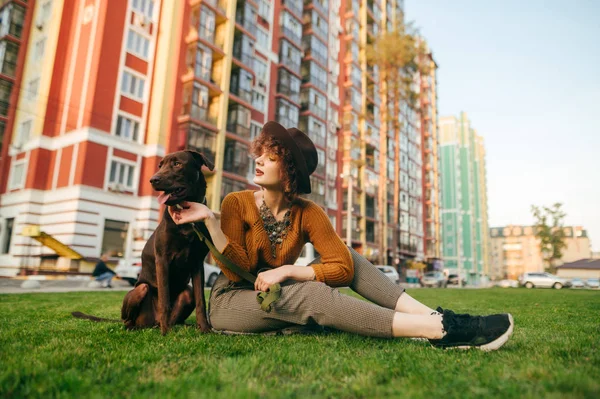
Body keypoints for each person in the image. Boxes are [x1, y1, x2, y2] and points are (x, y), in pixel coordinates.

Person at [169, 121, 514, 351]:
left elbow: (344, 270)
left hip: (275, 294)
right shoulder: (236, 203)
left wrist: (288, 270)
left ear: (288, 172)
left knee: (351, 258)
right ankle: (439, 331)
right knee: (312, 295)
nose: (258, 159)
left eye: (270, 156)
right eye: (260, 152)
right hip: (232, 302)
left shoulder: (308, 213)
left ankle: (434, 315)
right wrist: (211, 223)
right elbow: (233, 271)